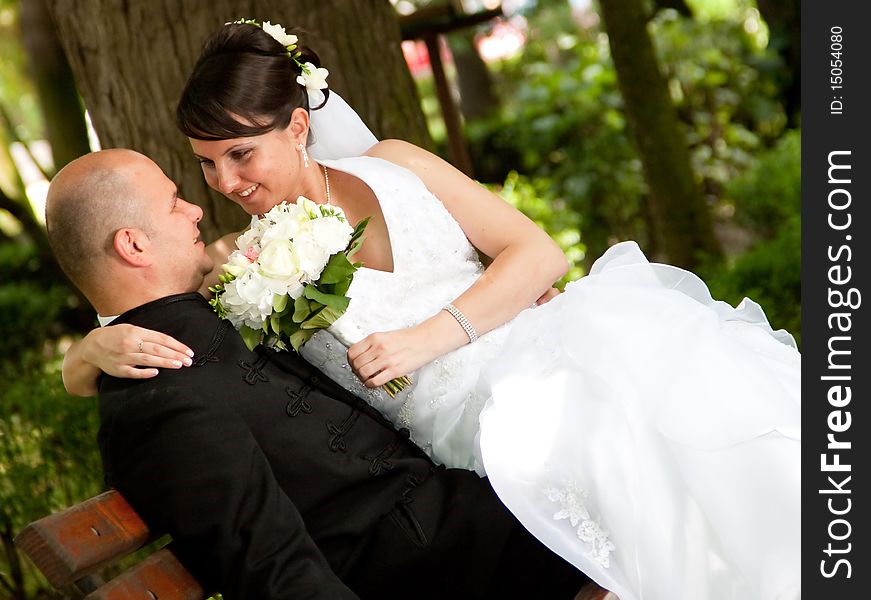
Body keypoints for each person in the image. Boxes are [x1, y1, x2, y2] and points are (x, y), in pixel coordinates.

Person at [63, 21, 801, 600]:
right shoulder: (237, 264)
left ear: (295, 125)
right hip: (467, 447)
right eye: (204, 162)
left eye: (240, 154)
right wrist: (86, 354)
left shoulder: (396, 164)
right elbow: (152, 314)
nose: (222, 182)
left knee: (679, 434)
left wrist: (432, 335)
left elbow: (537, 255)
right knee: (615, 470)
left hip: (532, 363)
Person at [44, 148, 598, 600]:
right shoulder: (157, 401)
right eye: (173, 204)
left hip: (472, 517)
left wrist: (85, 351)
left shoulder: (214, 305)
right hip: (447, 567)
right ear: (134, 245)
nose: (195, 209)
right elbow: (273, 568)